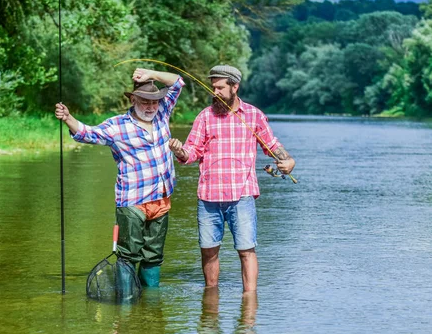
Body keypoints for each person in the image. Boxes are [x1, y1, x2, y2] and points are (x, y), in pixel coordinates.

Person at [169, 65, 295, 292]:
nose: (214, 92)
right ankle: (211, 300)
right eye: (212, 87)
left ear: (234, 87)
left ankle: (249, 301)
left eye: (220, 87)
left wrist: (288, 161)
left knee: (247, 250)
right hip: (208, 196)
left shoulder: (254, 115)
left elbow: (272, 145)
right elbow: (191, 153)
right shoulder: (204, 117)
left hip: (242, 196)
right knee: (208, 250)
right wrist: (179, 151)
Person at [54, 68, 184, 287]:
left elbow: (178, 82)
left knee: (154, 256)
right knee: (128, 256)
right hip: (132, 201)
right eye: (145, 102)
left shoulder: (163, 112)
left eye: (154, 102)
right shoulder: (117, 126)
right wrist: (68, 118)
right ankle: (127, 306)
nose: (151, 107)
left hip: (161, 197)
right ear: (133, 99)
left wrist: (150, 73)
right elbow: (87, 133)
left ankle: (150, 306)